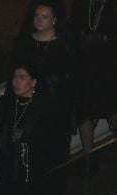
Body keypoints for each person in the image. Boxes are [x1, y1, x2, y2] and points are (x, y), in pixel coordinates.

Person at [0, 61, 72, 195]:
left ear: (34, 82)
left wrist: (28, 143)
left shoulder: (45, 108)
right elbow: (0, 140)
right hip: (14, 175)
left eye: (22, 78)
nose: (16, 82)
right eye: (15, 77)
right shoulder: (8, 105)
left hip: (38, 178)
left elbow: (56, 145)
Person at [13, 2, 81, 150]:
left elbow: (73, 77)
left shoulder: (64, 45)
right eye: (36, 16)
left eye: (44, 17)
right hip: (31, 107)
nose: (39, 20)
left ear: (54, 19)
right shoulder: (25, 43)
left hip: (56, 107)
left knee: (56, 149)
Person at [71, 0, 117, 156]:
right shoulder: (82, 4)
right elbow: (74, 31)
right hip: (87, 66)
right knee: (86, 111)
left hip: (111, 64)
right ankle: (88, 159)